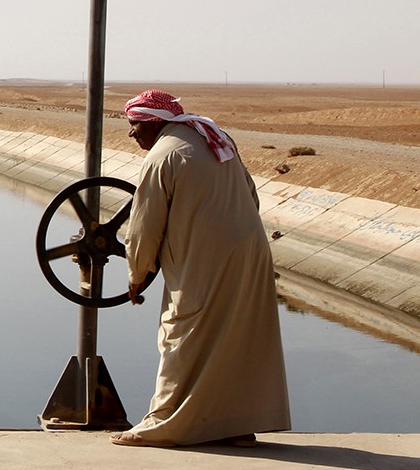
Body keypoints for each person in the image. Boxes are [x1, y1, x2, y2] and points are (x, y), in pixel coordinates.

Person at [111, 89, 290, 448]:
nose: (132, 134)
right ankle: (237, 424)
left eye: (135, 125)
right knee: (240, 334)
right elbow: (250, 194)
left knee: (183, 333)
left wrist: (138, 274)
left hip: (205, 258)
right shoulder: (214, 137)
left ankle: (164, 425)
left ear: (155, 122)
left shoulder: (163, 155)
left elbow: (145, 225)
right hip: (249, 253)